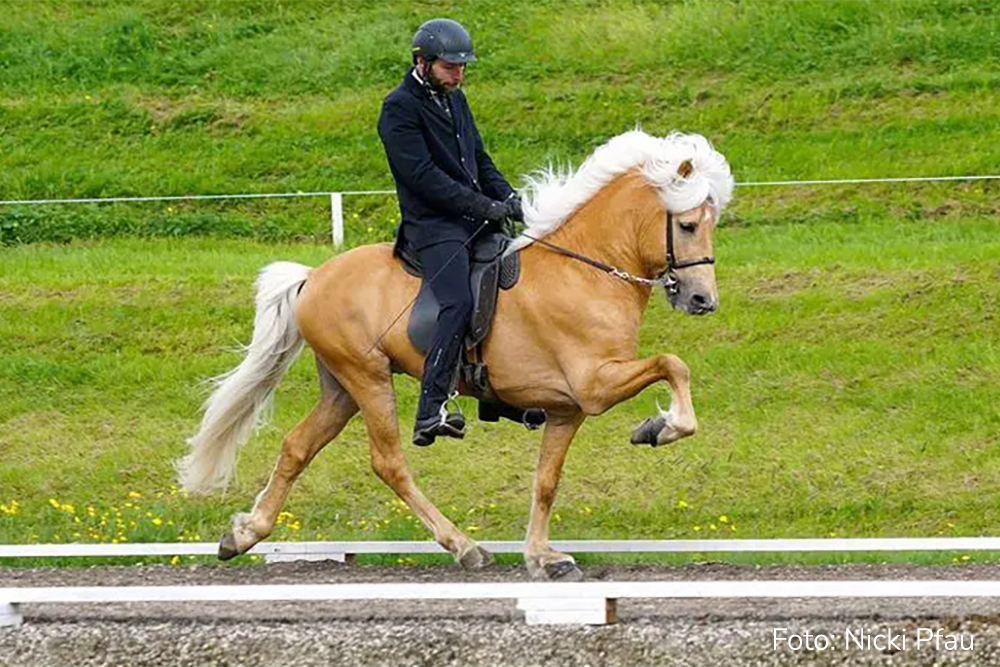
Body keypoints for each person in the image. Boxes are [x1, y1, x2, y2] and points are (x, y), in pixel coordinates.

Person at [378, 18, 523, 447]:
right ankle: (430, 409)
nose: (458, 75)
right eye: (449, 67)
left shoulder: (455, 100)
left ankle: (501, 397)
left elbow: (479, 158)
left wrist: (510, 197)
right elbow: (422, 177)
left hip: (475, 218)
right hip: (434, 226)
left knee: (518, 286)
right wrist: (485, 206)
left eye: (462, 67)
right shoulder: (398, 107)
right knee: (458, 302)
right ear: (422, 62)